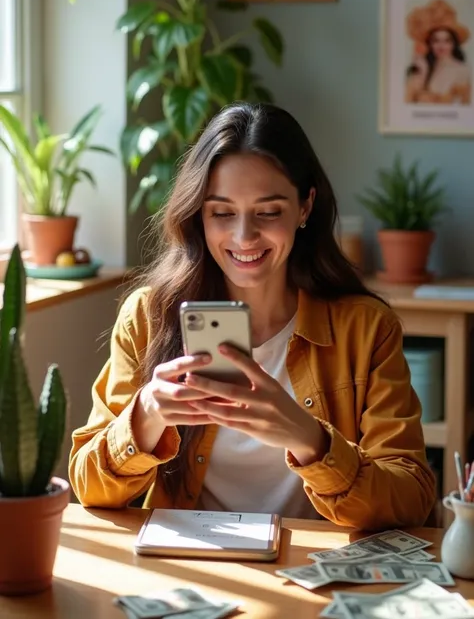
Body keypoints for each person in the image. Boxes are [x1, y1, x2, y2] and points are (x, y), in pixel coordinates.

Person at [69, 102, 436, 530]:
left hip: (311, 574)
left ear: (304, 207)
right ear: (198, 215)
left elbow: (411, 498)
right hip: (193, 574)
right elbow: (88, 488)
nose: (244, 236)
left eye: (268, 212)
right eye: (222, 212)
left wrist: (311, 440)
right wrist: (145, 415)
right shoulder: (149, 318)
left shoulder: (367, 328)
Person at [405, 0, 471, 105]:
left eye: (447, 40)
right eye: (436, 40)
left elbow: (466, 113)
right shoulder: (422, 67)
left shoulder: (462, 70)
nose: (441, 46)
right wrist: (423, 72)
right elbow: (406, 105)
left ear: (454, 43)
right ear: (430, 44)